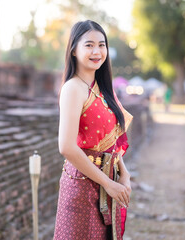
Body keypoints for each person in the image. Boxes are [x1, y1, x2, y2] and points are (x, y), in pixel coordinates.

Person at [53, 20, 133, 240]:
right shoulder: (73, 88)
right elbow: (67, 147)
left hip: (108, 181)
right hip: (81, 185)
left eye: (102, 44)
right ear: (74, 50)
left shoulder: (103, 89)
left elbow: (113, 139)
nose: (97, 51)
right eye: (89, 45)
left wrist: (123, 173)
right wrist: (108, 184)